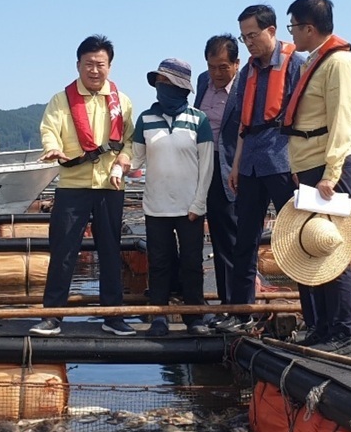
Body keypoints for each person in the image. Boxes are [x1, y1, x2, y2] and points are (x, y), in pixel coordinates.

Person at [29, 35, 135, 337]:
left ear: (110, 67)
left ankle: (113, 316)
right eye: (88, 64)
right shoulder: (60, 100)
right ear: (77, 65)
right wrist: (51, 147)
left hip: (110, 186)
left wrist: (123, 160)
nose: (94, 70)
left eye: (100, 64)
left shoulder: (122, 102)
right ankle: (53, 316)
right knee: (63, 250)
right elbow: (49, 129)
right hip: (72, 186)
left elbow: (130, 140)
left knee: (111, 251)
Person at [216, 5, 305, 334]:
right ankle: (241, 313)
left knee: (298, 238)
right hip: (251, 163)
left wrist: (299, 164)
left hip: (283, 161)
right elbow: (242, 123)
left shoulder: (296, 64)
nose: (248, 42)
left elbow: (305, 117)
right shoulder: (247, 73)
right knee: (244, 240)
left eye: (252, 35)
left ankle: (312, 312)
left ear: (272, 30)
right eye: (244, 36)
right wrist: (236, 164)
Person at [283, 0, 351, 354]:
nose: (292, 35)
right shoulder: (314, 61)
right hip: (309, 166)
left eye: (293, 27)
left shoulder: (338, 63)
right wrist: (298, 168)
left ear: (309, 27)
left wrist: (331, 173)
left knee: (332, 248)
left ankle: (344, 329)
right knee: (311, 247)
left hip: (328, 168)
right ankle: (321, 325)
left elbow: (341, 122)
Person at [131, 59, 214, 337]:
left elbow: (207, 166)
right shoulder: (145, 119)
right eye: (159, 82)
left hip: (189, 206)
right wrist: (117, 164)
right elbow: (135, 160)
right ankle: (159, 315)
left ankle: (195, 316)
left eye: (167, 83)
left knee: (192, 262)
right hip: (156, 206)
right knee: (159, 262)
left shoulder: (198, 120)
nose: (161, 88)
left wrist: (199, 203)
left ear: (182, 88)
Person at [194, 35, 241, 323]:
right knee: (203, 233)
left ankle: (232, 305)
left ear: (237, 63)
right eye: (212, 67)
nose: (217, 74)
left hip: (229, 166)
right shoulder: (202, 81)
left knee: (229, 238)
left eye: (223, 67)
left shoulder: (244, 86)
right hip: (200, 163)